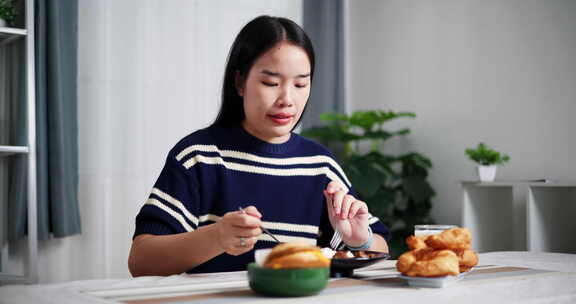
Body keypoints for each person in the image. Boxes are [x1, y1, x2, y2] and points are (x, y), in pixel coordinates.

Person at [128, 15, 390, 277]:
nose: (287, 99)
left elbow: (381, 248)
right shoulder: (199, 156)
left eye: (300, 84)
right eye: (271, 83)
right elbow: (142, 261)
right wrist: (217, 237)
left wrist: (359, 240)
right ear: (240, 82)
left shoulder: (320, 165)